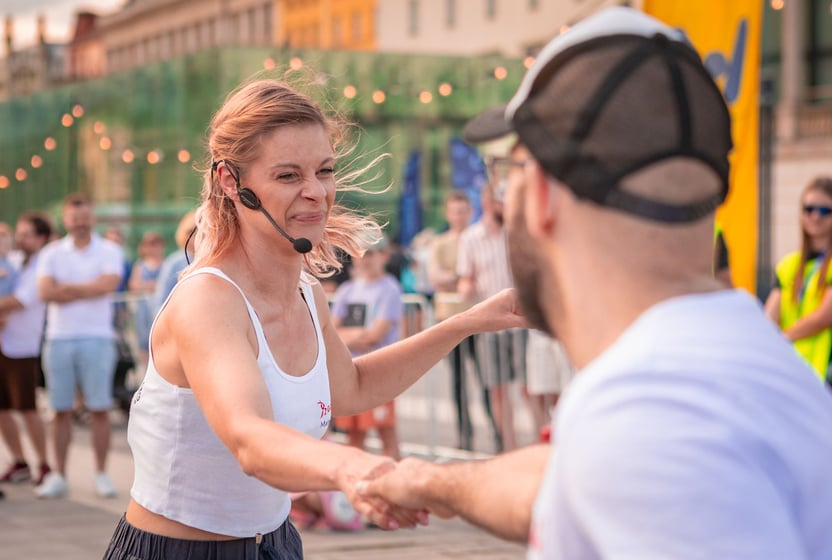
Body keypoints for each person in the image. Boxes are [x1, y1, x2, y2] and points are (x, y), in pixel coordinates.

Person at [360, 7, 832, 559]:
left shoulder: (649, 412)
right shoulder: (743, 371)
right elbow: (564, 483)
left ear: (541, 192)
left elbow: (640, 462)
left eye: (508, 173)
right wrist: (432, 482)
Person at [102, 77, 523, 559]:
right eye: (288, 176)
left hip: (277, 543)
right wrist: (351, 468)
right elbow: (249, 438)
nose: (316, 192)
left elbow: (352, 388)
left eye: (324, 171)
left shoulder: (307, 293)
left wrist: (470, 321)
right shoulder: (208, 300)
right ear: (230, 182)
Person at [35, 192, 125, 499]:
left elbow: (108, 285)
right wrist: (89, 289)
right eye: (75, 218)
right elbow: (45, 292)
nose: (80, 223)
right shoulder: (51, 253)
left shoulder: (109, 250)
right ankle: (59, 475)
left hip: (98, 338)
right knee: (59, 409)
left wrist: (65, 289)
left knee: (100, 408)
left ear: (92, 218)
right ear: (65, 220)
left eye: (85, 217)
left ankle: (101, 473)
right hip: (59, 339)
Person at [457, 184, 527, 452]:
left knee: (529, 388)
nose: (506, 207)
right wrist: (465, 289)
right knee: (498, 388)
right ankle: (509, 447)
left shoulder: (517, 233)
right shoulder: (471, 238)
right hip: (492, 325)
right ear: (488, 203)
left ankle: (538, 447)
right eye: (501, 202)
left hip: (522, 323)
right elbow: (466, 278)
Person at [427, 190, 496, 451]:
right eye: (456, 211)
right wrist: (464, 276)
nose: (460, 216)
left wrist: (456, 278)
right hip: (450, 319)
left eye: (464, 211)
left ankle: (497, 431)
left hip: (479, 318)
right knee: (458, 381)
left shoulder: (478, 240)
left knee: (487, 378)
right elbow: (436, 277)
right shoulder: (440, 244)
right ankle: (464, 435)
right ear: (448, 214)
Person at [765, 176, 832, 394]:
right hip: (794, 370)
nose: (816, 216)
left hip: (830, 371)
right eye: (809, 209)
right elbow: (770, 317)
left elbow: (826, 316)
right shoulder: (789, 265)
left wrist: (782, 338)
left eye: (825, 211)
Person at [331, 239, 403, 460]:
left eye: (370, 254)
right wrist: (356, 336)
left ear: (383, 256)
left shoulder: (390, 289)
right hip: (350, 371)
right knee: (354, 437)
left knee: (385, 432)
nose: (364, 260)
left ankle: (396, 481)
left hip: (380, 371)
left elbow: (375, 336)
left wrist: (346, 336)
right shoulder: (347, 290)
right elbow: (331, 332)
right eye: (359, 254)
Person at [0, 211, 54, 487]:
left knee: (27, 408)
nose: (20, 239)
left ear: (41, 238)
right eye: (19, 234)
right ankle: (19, 461)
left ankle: (43, 464)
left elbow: (20, 300)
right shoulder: (13, 260)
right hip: (3, 342)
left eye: (26, 235)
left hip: (22, 347)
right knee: (2, 408)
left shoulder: (43, 266)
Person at [128, 230, 166, 373]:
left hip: (160, 308)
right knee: (144, 341)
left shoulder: (166, 264)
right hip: (143, 309)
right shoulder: (140, 265)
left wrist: (147, 285)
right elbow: (134, 285)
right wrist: (153, 285)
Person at [152, 210, 196, 313]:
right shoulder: (174, 263)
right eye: (192, 231)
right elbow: (161, 301)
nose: (196, 235)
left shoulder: (215, 260)